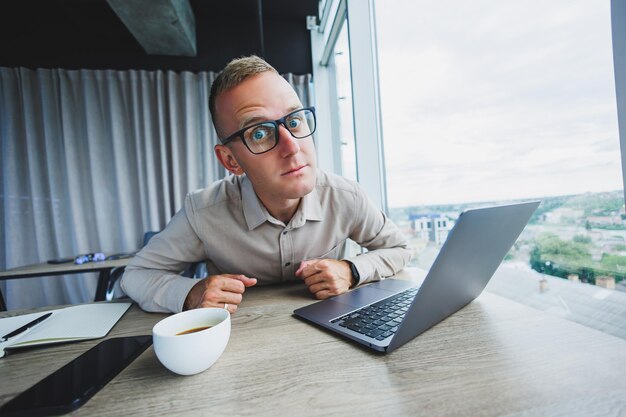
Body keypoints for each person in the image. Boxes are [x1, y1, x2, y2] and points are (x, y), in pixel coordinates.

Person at [121, 56, 411, 313]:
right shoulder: (204, 212)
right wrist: (191, 294)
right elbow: (136, 275)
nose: (292, 147)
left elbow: (399, 248)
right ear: (231, 160)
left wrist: (351, 270)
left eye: (295, 121)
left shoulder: (346, 196)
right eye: (259, 133)